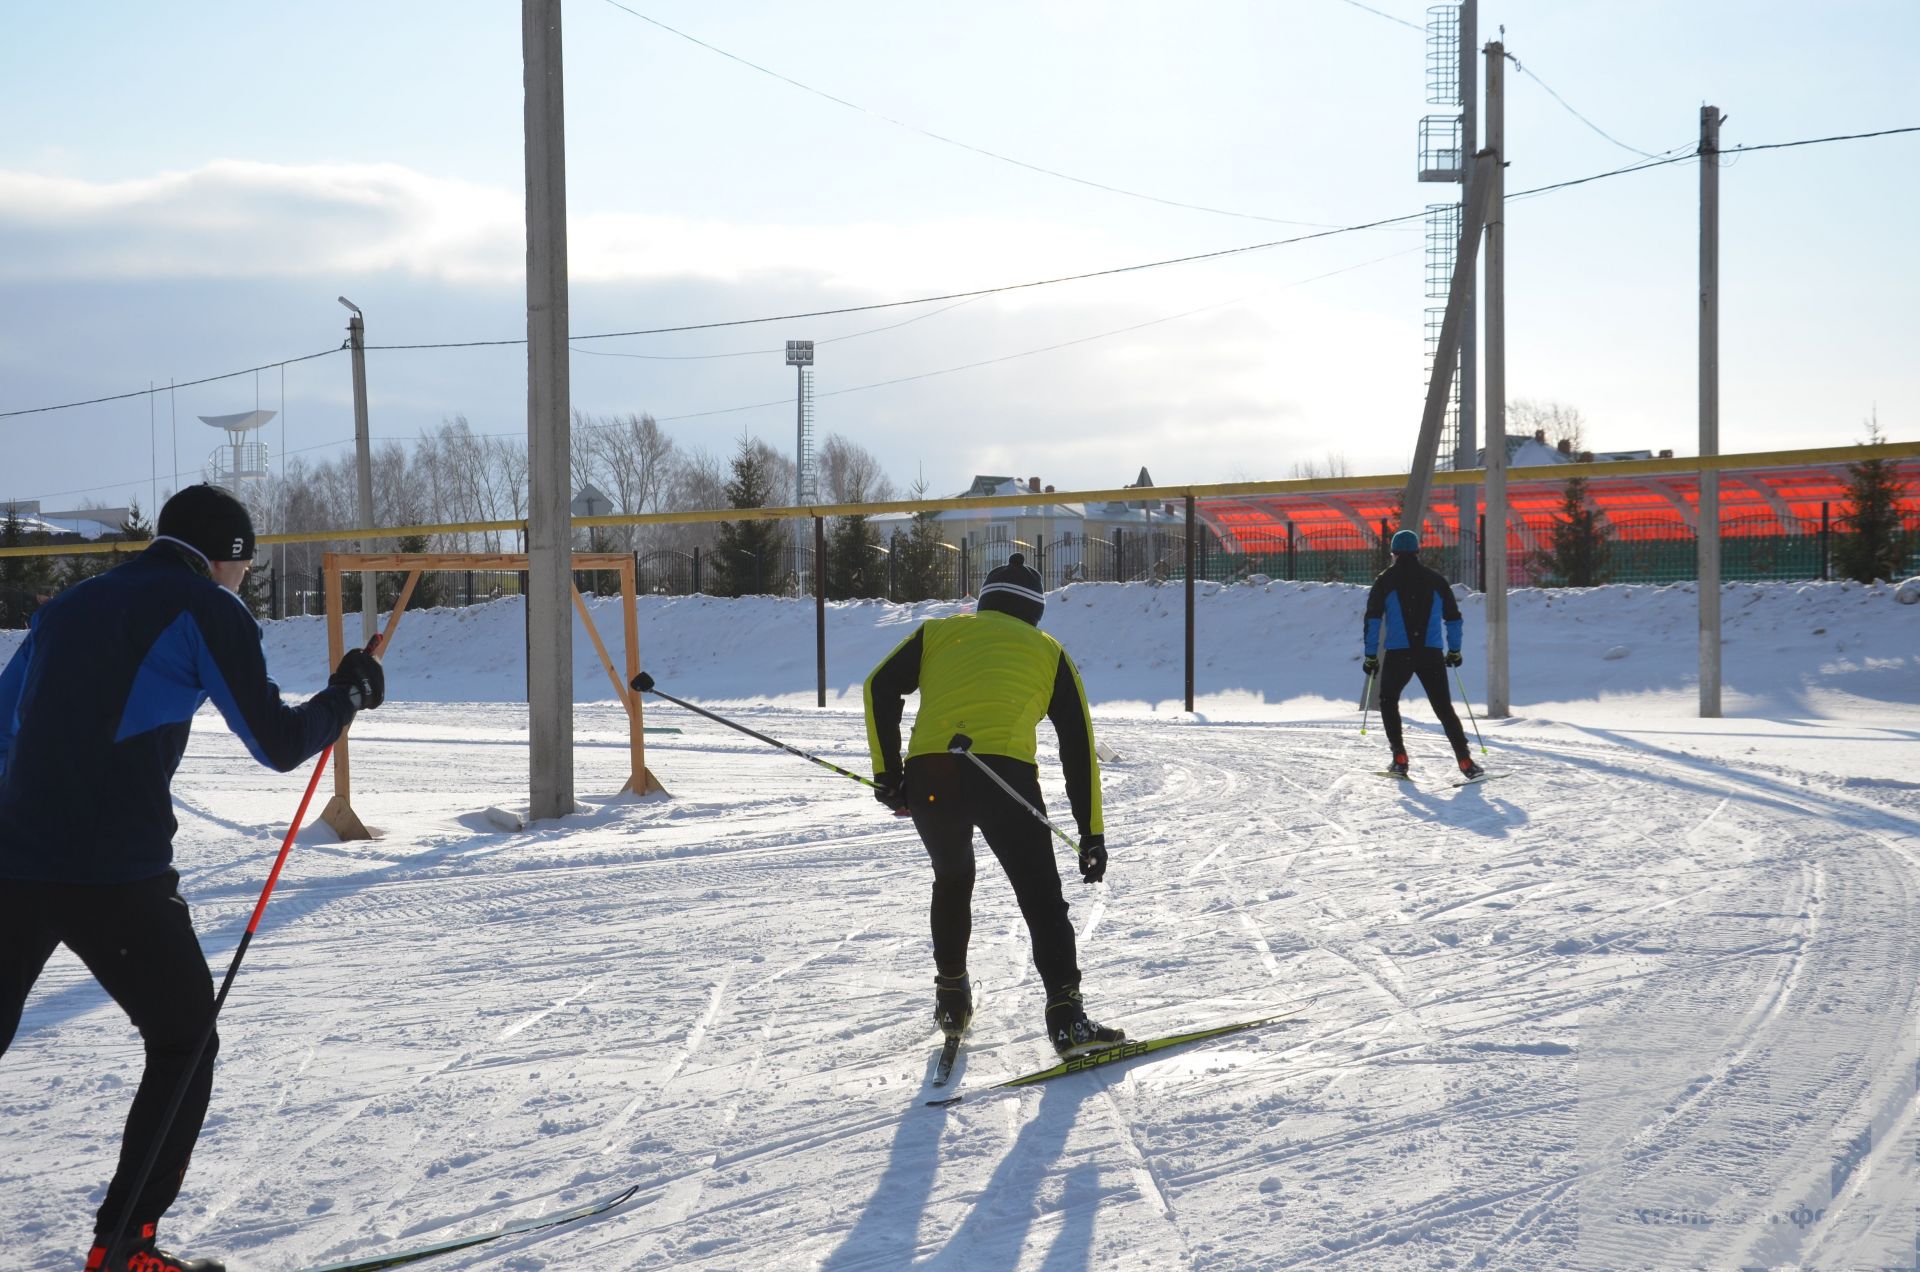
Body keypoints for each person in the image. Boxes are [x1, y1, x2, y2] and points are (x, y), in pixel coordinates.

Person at [0, 484, 385, 1272]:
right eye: (245, 567)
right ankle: (126, 1246)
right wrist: (347, 695)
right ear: (228, 559)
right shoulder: (208, 606)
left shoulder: (67, 607)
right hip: (114, 873)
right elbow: (277, 741)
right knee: (184, 1043)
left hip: (12, 858)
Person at [863, 552, 1122, 1057]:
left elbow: (879, 687)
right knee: (1042, 900)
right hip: (1004, 776)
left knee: (953, 879)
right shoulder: (1049, 650)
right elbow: (1078, 745)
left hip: (931, 776)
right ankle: (1067, 1020)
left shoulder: (939, 633)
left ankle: (952, 1000)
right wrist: (1091, 835)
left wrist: (888, 775)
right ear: (1034, 612)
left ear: (984, 602)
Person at [1364, 529, 1484, 781]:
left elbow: (1373, 619)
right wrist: (1454, 650)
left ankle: (1399, 758)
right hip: (1430, 654)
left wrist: (1370, 655)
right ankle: (1466, 761)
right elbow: (1453, 619)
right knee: (1443, 708)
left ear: (1394, 553)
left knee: (1388, 701)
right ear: (1418, 551)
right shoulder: (1436, 580)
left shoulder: (1385, 580)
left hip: (1399, 654)